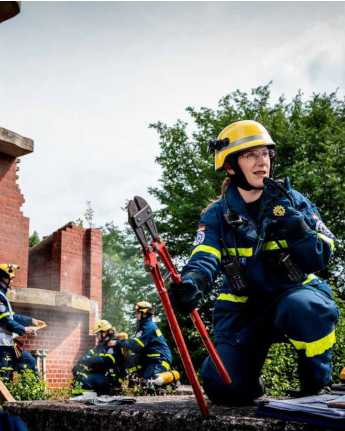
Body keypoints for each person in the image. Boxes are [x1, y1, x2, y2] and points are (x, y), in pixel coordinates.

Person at [168, 120, 339, 405]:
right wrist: (192, 282)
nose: (262, 162)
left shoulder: (294, 201)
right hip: (243, 307)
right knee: (222, 385)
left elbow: (321, 256)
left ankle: (315, 384)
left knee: (306, 308)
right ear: (231, 167)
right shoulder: (216, 216)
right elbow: (204, 256)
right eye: (250, 155)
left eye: (265, 153)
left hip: (293, 292)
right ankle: (248, 381)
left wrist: (292, 222)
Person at [0, 264, 44, 380]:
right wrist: (23, 329)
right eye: (10, 278)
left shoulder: (1, 295)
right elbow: (5, 321)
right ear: (3, 277)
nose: (11, 282)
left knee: (29, 362)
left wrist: (31, 320)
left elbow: (11, 316)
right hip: (0, 346)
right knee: (3, 380)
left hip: (7, 344)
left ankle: (34, 395)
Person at [108, 302, 172, 380]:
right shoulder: (143, 326)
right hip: (148, 357)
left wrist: (117, 342)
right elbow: (135, 345)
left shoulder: (149, 327)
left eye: (138, 313)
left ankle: (161, 376)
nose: (136, 315)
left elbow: (136, 344)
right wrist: (117, 336)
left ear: (145, 314)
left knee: (149, 380)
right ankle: (133, 378)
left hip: (159, 359)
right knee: (128, 360)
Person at [72, 319, 125, 395]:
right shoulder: (100, 345)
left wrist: (90, 360)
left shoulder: (113, 344)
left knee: (84, 379)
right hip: (102, 376)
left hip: (111, 378)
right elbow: (88, 356)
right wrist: (80, 365)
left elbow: (107, 361)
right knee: (78, 377)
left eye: (98, 334)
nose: (97, 336)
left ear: (104, 332)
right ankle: (78, 400)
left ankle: (87, 400)